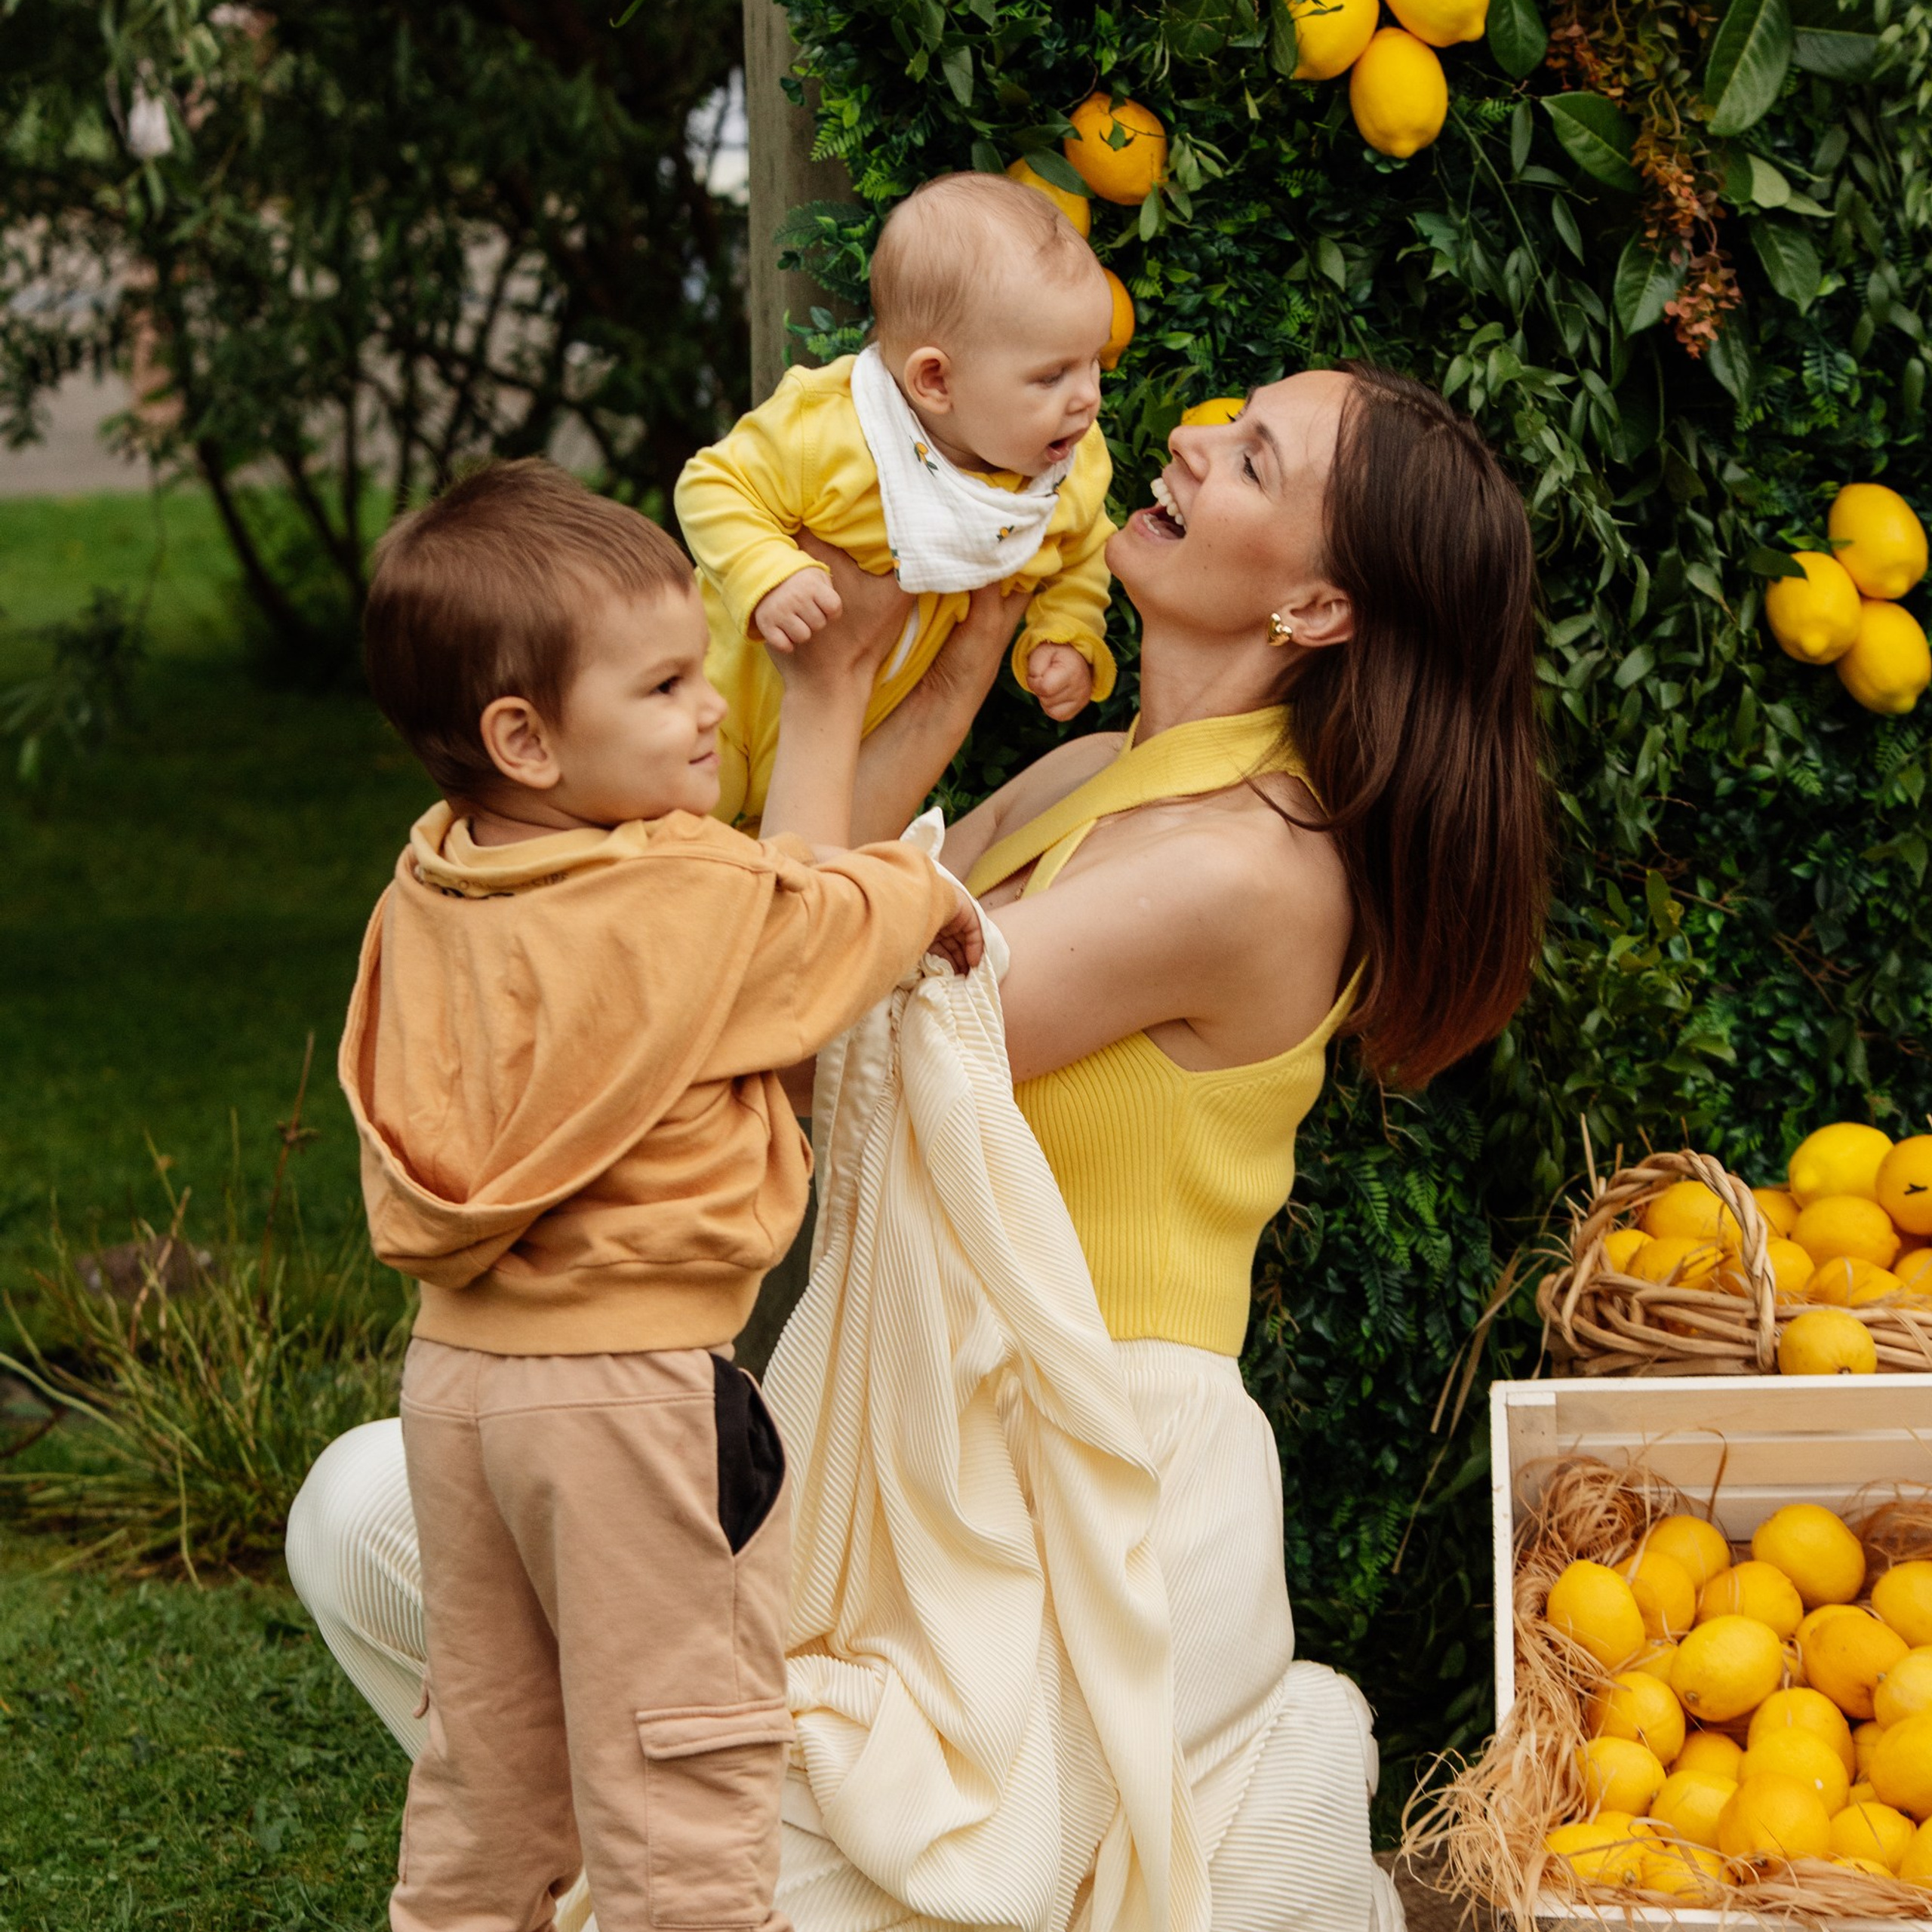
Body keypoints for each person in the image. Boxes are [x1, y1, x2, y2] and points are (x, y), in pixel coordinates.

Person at [291, 362, 1548, 1930]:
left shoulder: (1248, 866)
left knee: (709, 1854)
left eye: (1248, 457)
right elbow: (799, 898)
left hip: (1076, 1489)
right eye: (1223, 415)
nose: (1186, 436)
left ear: (1312, 605)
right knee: (370, 1519)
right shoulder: (1093, 772)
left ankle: (1262, 1807)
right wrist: (915, 659)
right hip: (893, 1424)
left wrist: (822, 717)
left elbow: (802, 1030)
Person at [338, 457, 979, 1932]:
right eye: (666, 683)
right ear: (525, 734)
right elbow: (823, 913)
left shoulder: (428, 887)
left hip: (453, 1384)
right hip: (629, 1397)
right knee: (678, 1775)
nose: (709, 706)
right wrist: (928, 891)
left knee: (484, 1767)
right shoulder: (678, 899)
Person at [675, 171, 1119, 829]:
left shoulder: (1065, 467)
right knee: (676, 845)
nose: (1087, 397)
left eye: (1093, 364)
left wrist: (1069, 631)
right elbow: (712, 485)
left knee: (780, 867)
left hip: (854, 745)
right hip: (719, 701)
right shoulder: (834, 428)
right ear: (935, 380)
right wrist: (766, 573)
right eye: (1051, 375)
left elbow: (1083, 548)